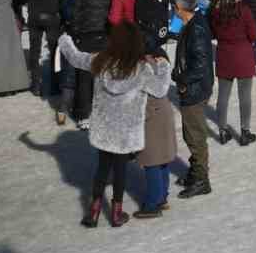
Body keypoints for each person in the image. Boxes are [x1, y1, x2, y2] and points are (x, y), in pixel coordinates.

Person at [59, 21, 172, 226]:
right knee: (120, 171)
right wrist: (163, 65)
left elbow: (75, 58)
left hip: (105, 127)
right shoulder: (141, 69)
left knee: (102, 169)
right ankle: (116, 213)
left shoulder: (101, 61)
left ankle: (93, 211)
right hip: (127, 131)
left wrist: (64, 39)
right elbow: (160, 89)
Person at [171, 0, 215, 197]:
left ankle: (201, 180)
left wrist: (182, 79)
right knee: (192, 133)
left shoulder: (195, 28)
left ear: (180, 7)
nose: (172, 10)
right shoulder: (193, 23)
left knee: (195, 135)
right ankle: (195, 172)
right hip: (195, 87)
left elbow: (201, 64)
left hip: (195, 90)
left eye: (173, 6)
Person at [208, 0, 256, 145]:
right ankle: (245, 131)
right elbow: (254, 34)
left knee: (223, 95)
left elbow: (213, 32)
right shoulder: (244, 9)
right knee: (244, 96)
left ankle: (222, 131)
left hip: (224, 55)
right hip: (243, 54)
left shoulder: (215, 10)